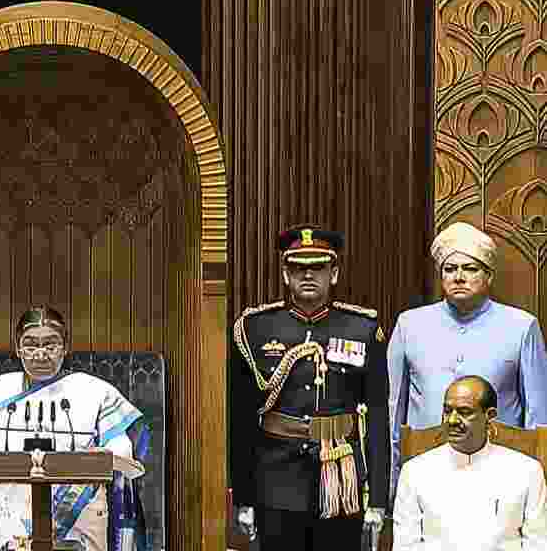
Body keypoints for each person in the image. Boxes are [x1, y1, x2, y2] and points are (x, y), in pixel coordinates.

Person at [228, 225, 388, 549]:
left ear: (335, 273)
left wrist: (379, 497)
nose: (308, 275)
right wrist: (243, 497)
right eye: (299, 268)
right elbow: (241, 418)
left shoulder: (363, 329)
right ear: (286, 275)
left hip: (341, 478)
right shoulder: (256, 329)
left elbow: (377, 415)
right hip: (276, 480)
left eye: (318, 267)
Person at [0, 305, 149, 551]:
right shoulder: (2, 389)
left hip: (81, 520)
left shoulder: (92, 390)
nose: (40, 354)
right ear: (17, 348)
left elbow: (122, 448)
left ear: (65, 347)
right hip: (13, 518)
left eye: (50, 345)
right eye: (30, 345)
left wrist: (95, 459)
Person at [388, 222, 547, 499]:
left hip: (500, 474)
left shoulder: (521, 327)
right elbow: (394, 409)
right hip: (425, 470)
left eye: (470, 268)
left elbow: (538, 418)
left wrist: (537, 487)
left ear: (489, 276)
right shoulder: (410, 325)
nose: (459, 277)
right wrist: (391, 482)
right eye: (450, 269)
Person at [393, 375, 547, 549]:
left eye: (464, 412)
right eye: (447, 411)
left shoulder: (526, 471)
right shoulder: (415, 472)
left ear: (490, 416)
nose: (452, 420)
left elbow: (537, 543)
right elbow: (405, 545)